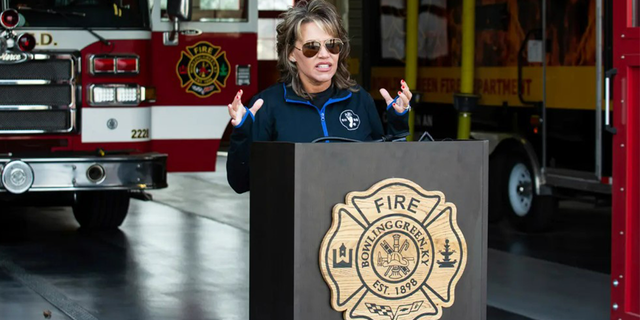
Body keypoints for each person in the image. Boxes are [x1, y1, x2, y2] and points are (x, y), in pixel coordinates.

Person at [226, 0, 413, 193]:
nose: (324, 55)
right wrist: (242, 132)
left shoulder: (359, 100)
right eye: (311, 47)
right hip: (294, 220)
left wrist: (397, 124)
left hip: (352, 220)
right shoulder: (268, 105)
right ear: (291, 53)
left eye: (332, 45)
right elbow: (241, 183)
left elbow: (387, 174)